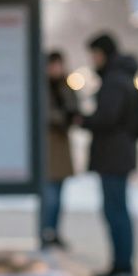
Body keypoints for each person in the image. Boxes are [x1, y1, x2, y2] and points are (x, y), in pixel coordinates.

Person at [79, 32, 138, 276]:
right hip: (119, 153)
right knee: (118, 209)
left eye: (94, 54)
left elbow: (107, 117)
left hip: (113, 155)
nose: (92, 59)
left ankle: (121, 265)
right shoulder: (121, 76)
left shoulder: (114, 80)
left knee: (115, 211)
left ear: (103, 53)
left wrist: (83, 120)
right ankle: (122, 263)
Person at [43, 50, 78, 249]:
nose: (56, 69)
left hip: (61, 146)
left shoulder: (65, 85)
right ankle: (47, 231)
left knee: (58, 195)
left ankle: (54, 231)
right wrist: (62, 118)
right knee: (50, 196)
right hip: (49, 147)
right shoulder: (42, 86)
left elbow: (74, 106)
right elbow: (45, 113)